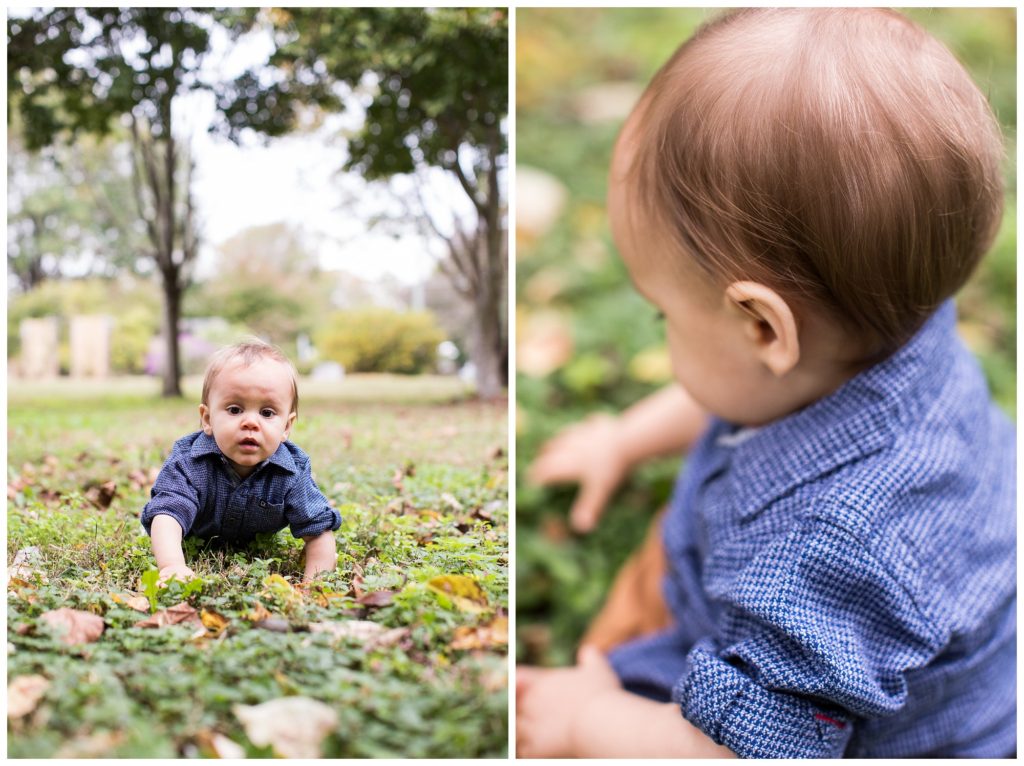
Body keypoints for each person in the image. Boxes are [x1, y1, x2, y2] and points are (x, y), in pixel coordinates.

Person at [517, 8, 1014, 759]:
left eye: (662, 319)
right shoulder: (886, 322)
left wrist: (587, 721)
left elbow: (738, 752)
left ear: (763, 330)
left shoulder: (828, 558)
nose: (662, 329)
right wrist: (624, 439)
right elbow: (736, 386)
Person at [141, 340, 341, 585]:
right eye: (235, 410)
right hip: (193, 536)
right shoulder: (190, 462)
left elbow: (318, 529)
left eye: (267, 413)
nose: (250, 422)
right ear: (207, 418)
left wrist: (314, 586)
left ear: (286, 427)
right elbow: (167, 514)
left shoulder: (292, 472)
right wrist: (172, 566)